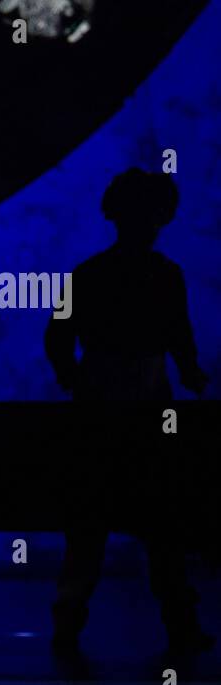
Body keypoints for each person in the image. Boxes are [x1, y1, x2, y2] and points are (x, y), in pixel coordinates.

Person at [44, 167, 212, 653]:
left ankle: (69, 620)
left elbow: (58, 336)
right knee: (162, 520)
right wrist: (190, 373)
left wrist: (74, 377)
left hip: (101, 401)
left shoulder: (89, 274)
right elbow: (180, 336)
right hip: (147, 397)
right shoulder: (164, 275)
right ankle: (179, 622)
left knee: (92, 524)